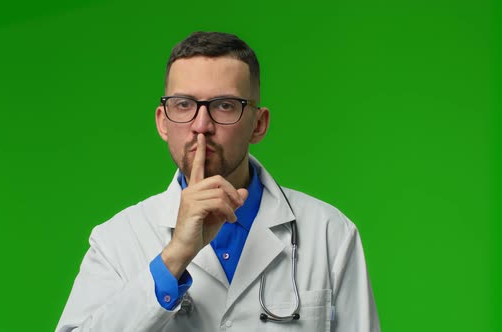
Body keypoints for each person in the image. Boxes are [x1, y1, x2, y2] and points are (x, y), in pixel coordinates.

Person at [56, 31, 380, 332]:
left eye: (224, 106)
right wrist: (175, 257)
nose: (201, 125)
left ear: (259, 124)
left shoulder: (330, 233)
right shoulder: (117, 240)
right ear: (163, 122)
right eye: (183, 105)